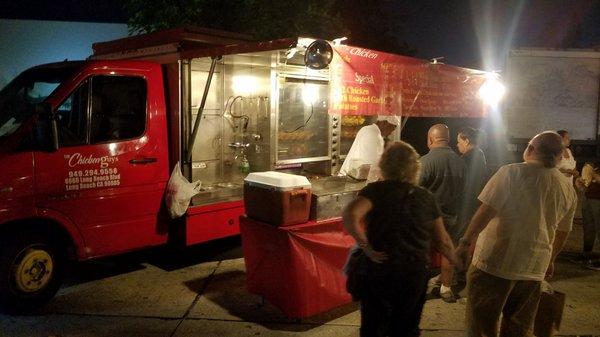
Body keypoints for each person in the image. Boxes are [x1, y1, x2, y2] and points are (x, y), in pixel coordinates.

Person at [456, 131, 577, 337]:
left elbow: (485, 212)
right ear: (558, 156)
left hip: (494, 264)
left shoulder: (511, 173)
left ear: (530, 149)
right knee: (518, 329)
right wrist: (551, 259)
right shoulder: (567, 188)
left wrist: (465, 242)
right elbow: (563, 231)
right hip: (533, 268)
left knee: (481, 326)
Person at [343, 141, 461, 337]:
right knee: (406, 326)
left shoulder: (374, 191)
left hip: (379, 269)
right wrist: (458, 261)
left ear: (384, 164)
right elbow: (443, 241)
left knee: (373, 325)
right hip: (412, 271)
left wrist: (367, 248)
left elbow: (350, 215)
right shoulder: (425, 197)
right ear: (414, 167)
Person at [419, 124, 466, 302]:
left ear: (431, 139)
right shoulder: (461, 162)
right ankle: (446, 288)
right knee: (449, 250)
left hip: (427, 219)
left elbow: (413, 190)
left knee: (424, 253)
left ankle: (420, 287)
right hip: (453, 216)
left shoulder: (425, 162)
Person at [339, 115, 400, 181]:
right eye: (391, 128)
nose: (391, 133)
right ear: (384, 124)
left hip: (350, 175)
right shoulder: (375, 135)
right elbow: (373, 164)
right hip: (356, 179)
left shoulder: (367, 128)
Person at [456, 127, 488, 240]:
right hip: (475, 202)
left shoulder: (467, 158)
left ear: (467, 141)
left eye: (459, 142)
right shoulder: (480, 154)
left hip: (465, 204)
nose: (457, 145)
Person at [574, 162, 600, 270]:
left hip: (598, 199)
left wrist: (596, 178)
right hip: (588, 196)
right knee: (588, 228)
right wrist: (580, 181)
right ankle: (587, 253)